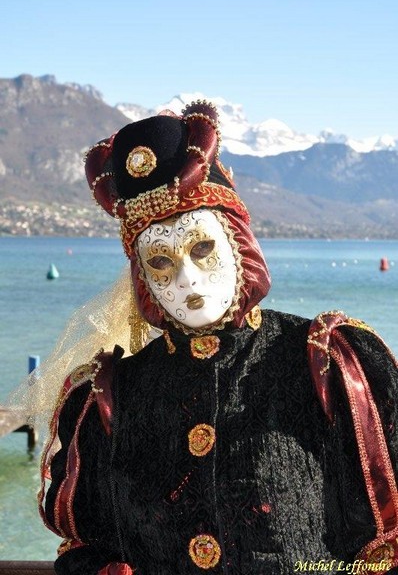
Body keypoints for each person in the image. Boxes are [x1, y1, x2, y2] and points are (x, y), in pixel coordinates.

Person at [38, 100, 398, 575]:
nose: (185, 278)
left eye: (201, 248)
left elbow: (383, 544)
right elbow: (86, 548)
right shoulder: (108, 400)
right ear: (141, 276)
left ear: (237, 242)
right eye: (161, 261)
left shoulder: (330, 369)